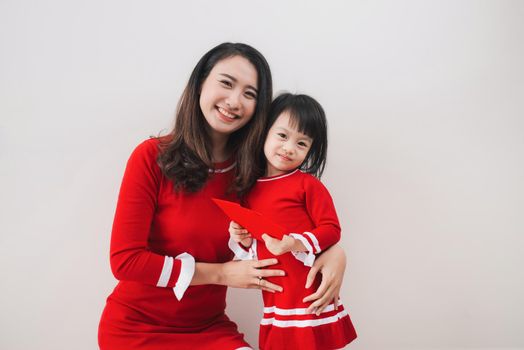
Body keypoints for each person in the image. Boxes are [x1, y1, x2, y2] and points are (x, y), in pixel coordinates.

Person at [98, 43, 348, 350]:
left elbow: (295, 225)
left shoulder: (255, 174)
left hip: (209, 328)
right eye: (227, 83)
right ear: (201, 82)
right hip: (137, 328)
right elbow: (126, 261)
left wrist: (335, 252)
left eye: (250, 94)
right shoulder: (151, 157)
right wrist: (220, 274)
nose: (234, 101)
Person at [228, 93, 357, 350]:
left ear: (311, 150)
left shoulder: (308, 185)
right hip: (277, 296)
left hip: (309, 291)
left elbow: (331, 230)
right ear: (264, 131)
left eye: (302, 143)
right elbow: (254, 246)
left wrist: (294, 243)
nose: (289, 148)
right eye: (282, 136)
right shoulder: (247, 190)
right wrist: (241, 238)